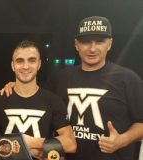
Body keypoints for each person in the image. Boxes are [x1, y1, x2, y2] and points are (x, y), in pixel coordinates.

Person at [45, 16, 143, 160]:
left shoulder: (127, 78)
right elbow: (37, 102)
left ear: (109, 44)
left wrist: (123, 139)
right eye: (85, 42)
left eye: (99, 42)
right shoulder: (60, 78)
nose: (92, 48)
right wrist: (16, 85)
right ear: (76, 44)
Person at [0, 40, 76, 159]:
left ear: (39, 64)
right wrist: (25, 149)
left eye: (32, 60)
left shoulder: (53, 100)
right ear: (12, 66)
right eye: (20, 61)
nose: (25, 66)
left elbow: (70, 143)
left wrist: (31, 142)